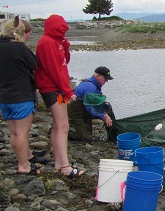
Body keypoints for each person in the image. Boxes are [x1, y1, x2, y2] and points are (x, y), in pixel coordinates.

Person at [35, 14, 83, 178]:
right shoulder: (47, 43)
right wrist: (68, 91)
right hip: (51, 88)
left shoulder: (57, 42)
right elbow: (54, 70)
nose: (64, 31)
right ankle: (65, 166)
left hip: (58, 88)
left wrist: (66, 46)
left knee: (58, 125)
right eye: (61, 29)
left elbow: (64, 62)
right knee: (63, 126)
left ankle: (58, 162)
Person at [0, 17, 42, 175]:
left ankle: (23, 160)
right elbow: (33, 64)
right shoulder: (18, 47)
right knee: (22, 133)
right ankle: (24, 166)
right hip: (21, 96)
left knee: (13, 132)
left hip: (4, 97)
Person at [67, 66, 116, 141]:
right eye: (105, 78)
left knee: (107, 108)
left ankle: (114, 136)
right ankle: (64, 131)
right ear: (98, 76)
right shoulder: (89, 87)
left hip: (85, 113)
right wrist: (104, 117)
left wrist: (106, 111)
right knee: (87, 138)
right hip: (76, 115)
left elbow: (98, 103)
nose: (107, 81)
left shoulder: (96, 85)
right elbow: (90, 108)